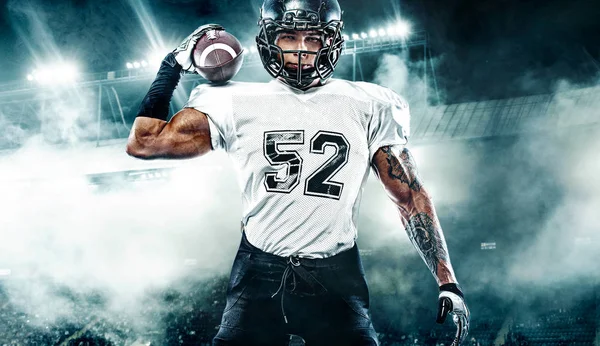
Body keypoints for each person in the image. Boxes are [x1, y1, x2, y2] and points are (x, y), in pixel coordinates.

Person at [126, 0, 470, 345]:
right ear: (269, 40)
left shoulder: (372, 104)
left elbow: (410, 197)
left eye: (313, 38)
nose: (302, 50)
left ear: (331, 42)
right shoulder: (231, 101)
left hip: (337, 271)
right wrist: (171, 65)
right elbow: (144, 142)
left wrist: (448, 282)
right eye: (289, 37)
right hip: (258, 267)